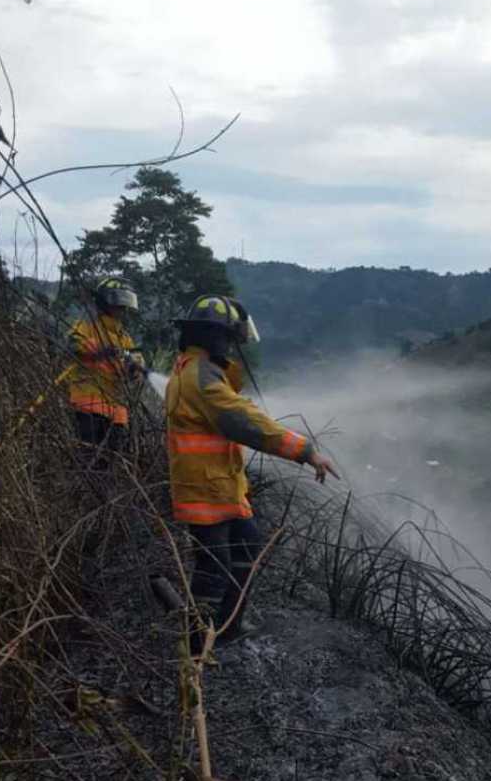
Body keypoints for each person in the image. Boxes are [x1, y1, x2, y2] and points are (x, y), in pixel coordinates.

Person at [166, 294, 338, 651]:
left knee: (246, 546)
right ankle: (196, 646)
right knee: (214, 568)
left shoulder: (197, 371)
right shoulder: (203, 380)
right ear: (215, 338)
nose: (232, 347)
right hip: (206, 492)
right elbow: (245, 421)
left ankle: (227, 627)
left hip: (216, 488)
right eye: (229, 340)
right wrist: (305, 452)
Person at [67, 277, 146, 466]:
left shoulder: (124, 338)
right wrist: (101, 350)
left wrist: (135, 368)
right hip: (88, 407)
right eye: (119, 305)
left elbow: (135, 370)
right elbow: (73, 345)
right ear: (104, 302)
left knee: (112, 466)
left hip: (117, 414)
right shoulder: (86, 327)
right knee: (89, 463)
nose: (122, 310)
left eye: (124, 306)